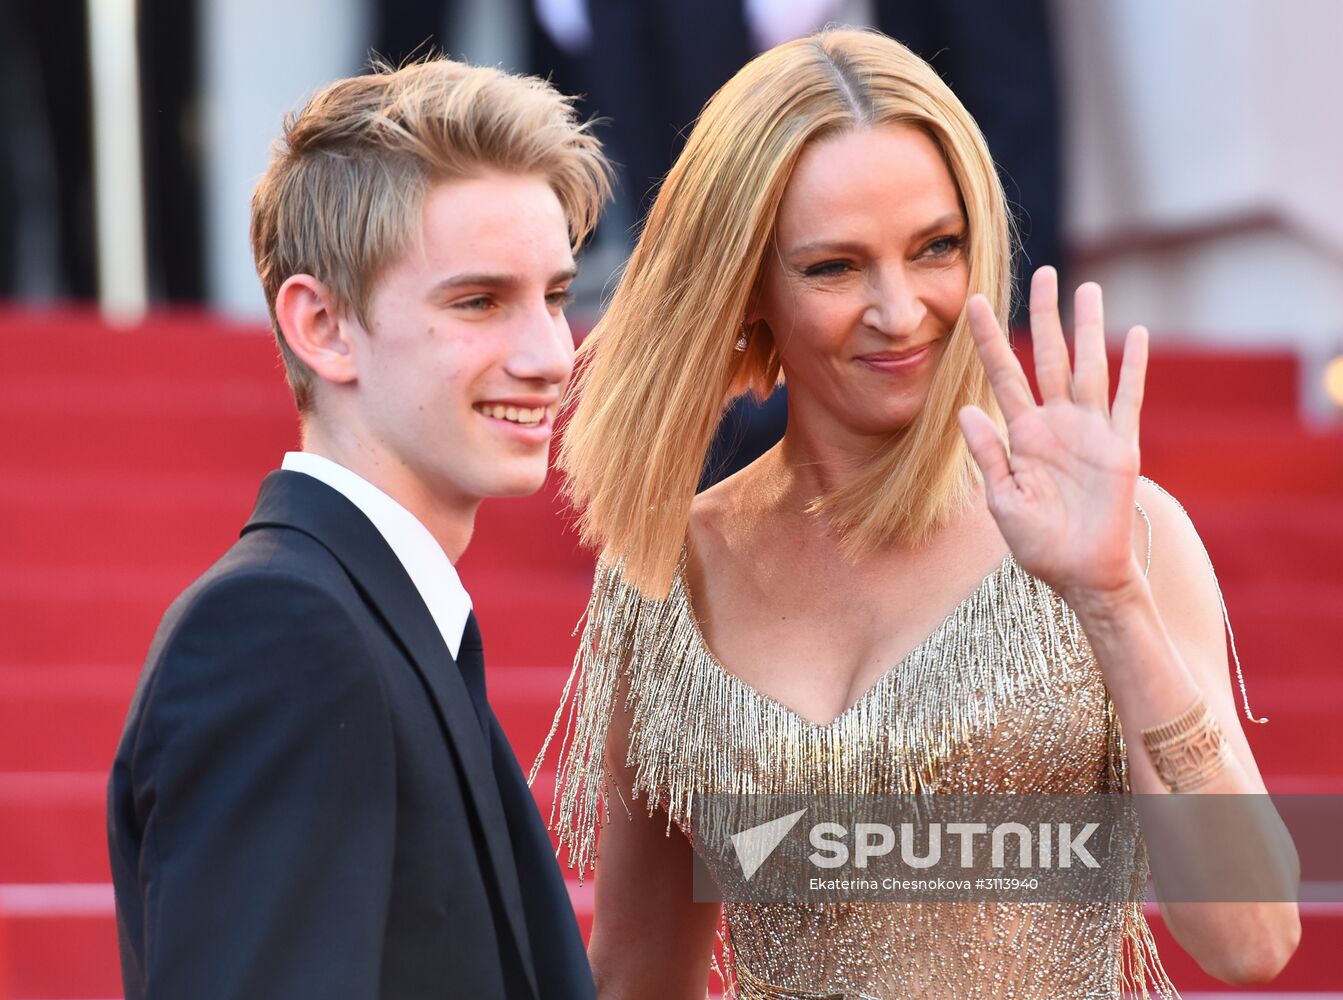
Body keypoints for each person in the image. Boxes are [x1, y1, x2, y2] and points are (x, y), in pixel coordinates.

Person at [534, 28, 1299, 998]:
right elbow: (640, 969)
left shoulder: (1121, 534)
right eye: (833, 267)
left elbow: (1251, 938)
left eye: (935, 247)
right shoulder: (669, 576)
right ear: (747, 286)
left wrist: (1108, 598)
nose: (900, 311)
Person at [107, 57, 610, 998]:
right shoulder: (280, 635)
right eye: (479, 301)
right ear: (324, 326)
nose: (552, 354)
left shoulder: (376, 619)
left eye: (553, 295)